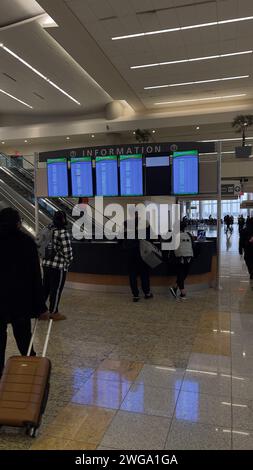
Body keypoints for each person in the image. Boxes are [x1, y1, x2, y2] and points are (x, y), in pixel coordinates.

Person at [0, 208, 48, 377]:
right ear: (18, 223)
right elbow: (36, 277)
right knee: (24, 339)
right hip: (20, 301)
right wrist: (41, 306)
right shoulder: (26, 243)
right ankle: (29, 371)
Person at [42, 211, 73, 320]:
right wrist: (68, 262)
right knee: (56, 289)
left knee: (45, 288)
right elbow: (67, 252)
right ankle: (54, 312)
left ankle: (41, 311)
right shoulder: (63, 233)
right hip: (58, 266)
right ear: (64, 220)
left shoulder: (48, 229)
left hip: (46, 264)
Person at [121, 213, 153, 302]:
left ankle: (135, 295)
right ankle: (147, 293)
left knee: (132, 274)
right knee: (144, 274)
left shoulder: (126, 224)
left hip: (130, 253)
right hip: (143, 252)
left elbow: (121, 238)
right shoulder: (145, 223)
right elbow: (150, 237)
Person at [169, 220, 195, 301]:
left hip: (178, 257)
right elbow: (193, 245)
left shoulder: (174, 235)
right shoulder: (189, 235)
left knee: (180, 274)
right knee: (184, 273)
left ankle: (179, 290)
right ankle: (179, 290)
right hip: (189, 256)